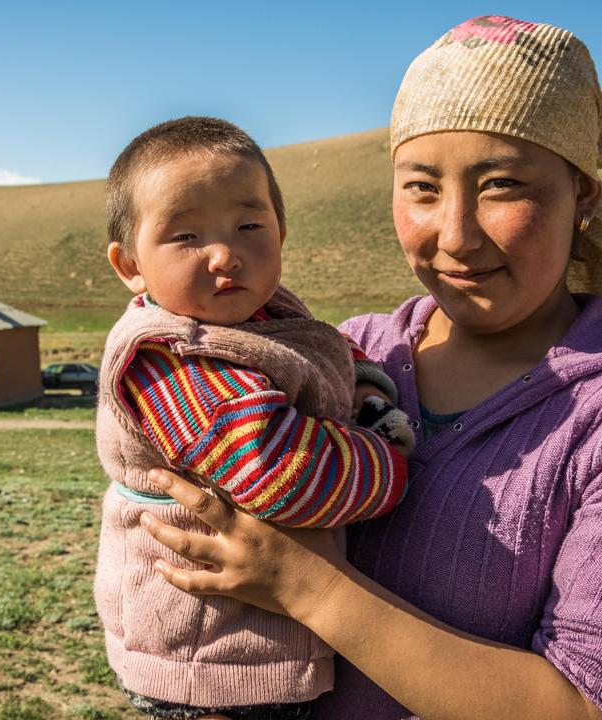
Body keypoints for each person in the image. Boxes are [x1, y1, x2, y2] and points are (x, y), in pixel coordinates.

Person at [135, 15, 602, 720]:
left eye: (503, 187)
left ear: (582, 195)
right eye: (421, 187)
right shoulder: (349, 352)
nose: (455, 237)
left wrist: (306, 587)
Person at [93, 116, 415, 719]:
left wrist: (369, 394)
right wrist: (390, 462)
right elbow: (280, 473)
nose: (225, 253)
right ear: (129, 265)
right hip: (209, 658)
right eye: (185, 236)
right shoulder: (169, 359)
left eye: (249, 226)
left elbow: (328, 351)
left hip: (260, 644)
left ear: (282, 231)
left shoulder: (266, 313)